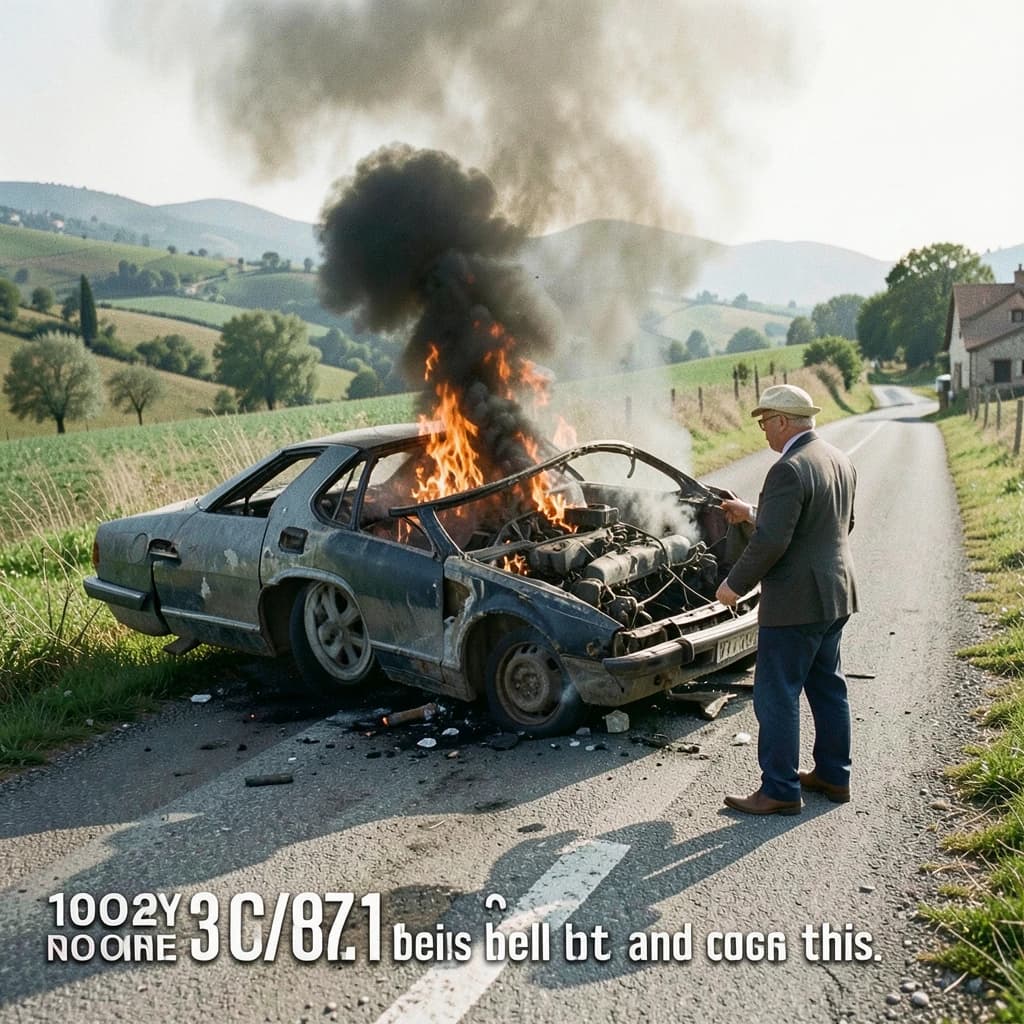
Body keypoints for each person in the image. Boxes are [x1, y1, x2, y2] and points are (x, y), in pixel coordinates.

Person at [715, 384, 858, 816]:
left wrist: (732, 586)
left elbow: (771, 543)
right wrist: (751, 512)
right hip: (836, 595)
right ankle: (834, 776)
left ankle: (779, 788)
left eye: (764, 423)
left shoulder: (787, 469)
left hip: (795, 604)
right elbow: (834, 524)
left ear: (782, 421)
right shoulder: (838, 458)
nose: (763, 432)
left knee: (775, 694)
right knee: (828, 687)